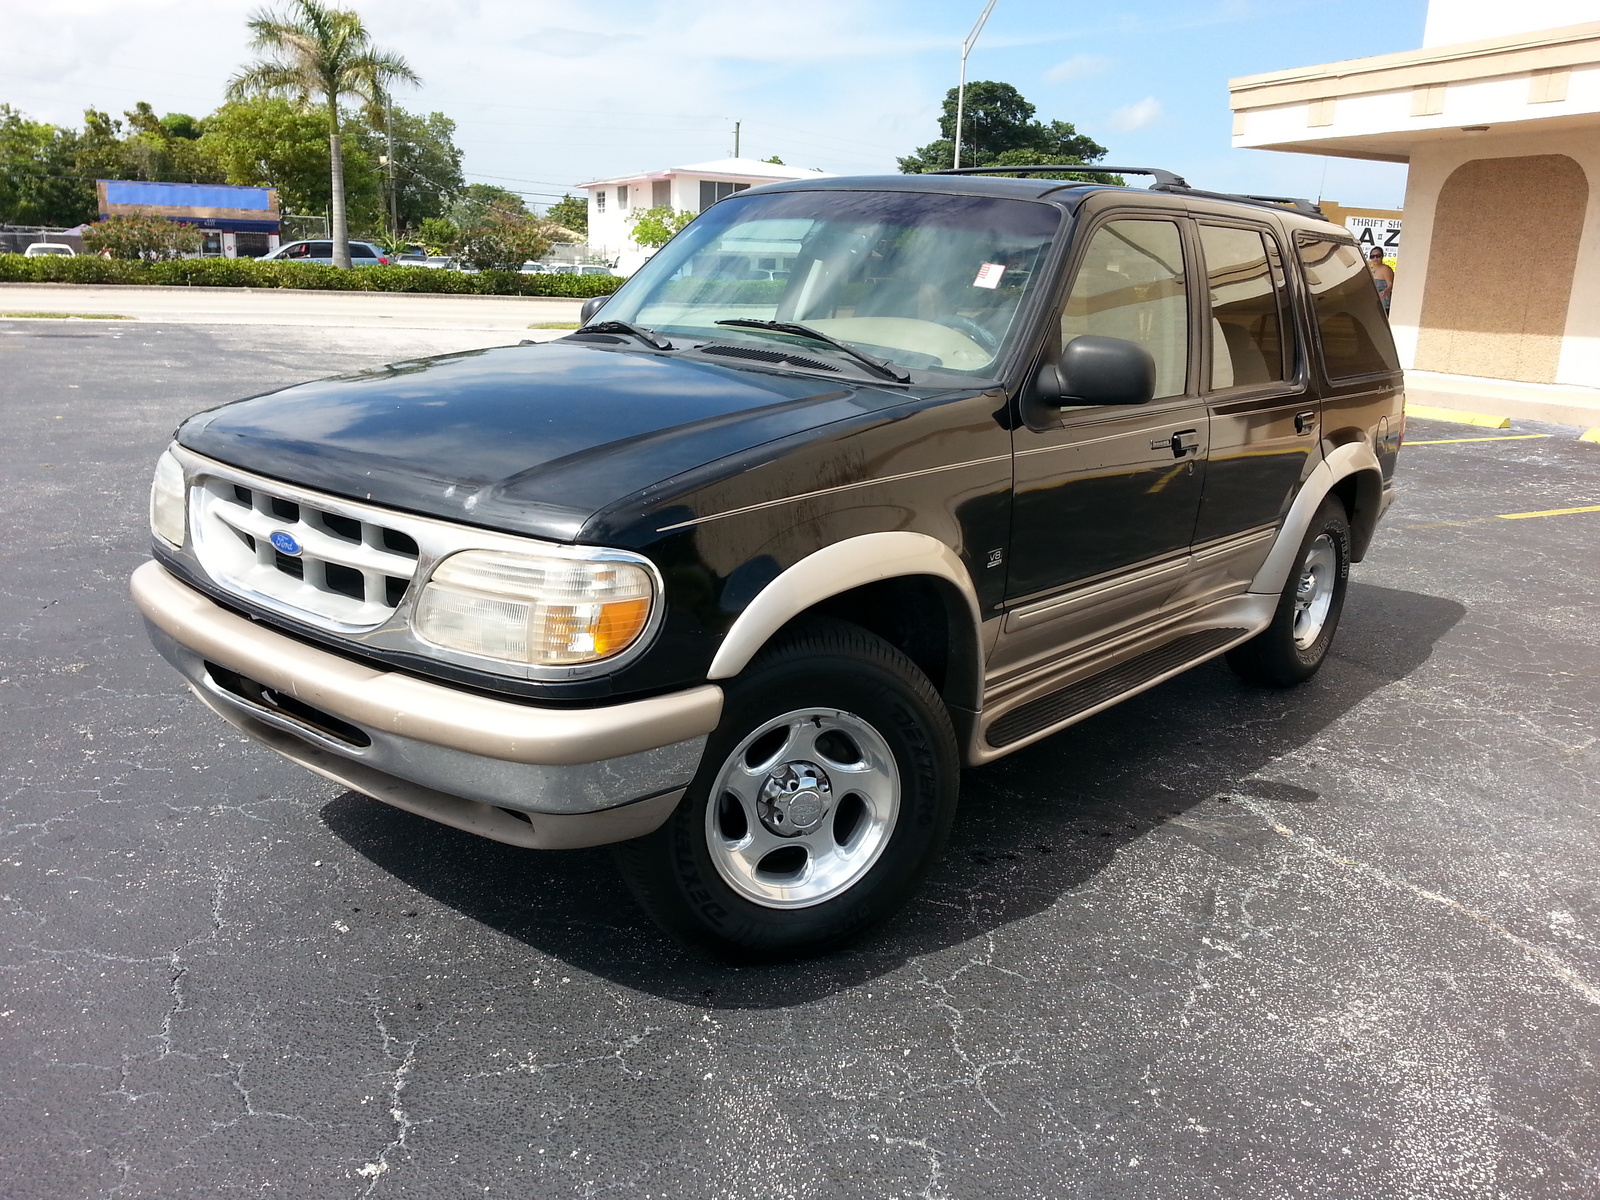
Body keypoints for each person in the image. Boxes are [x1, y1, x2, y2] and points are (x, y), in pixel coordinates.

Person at [1367, 245, 1395, 313]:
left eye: (1378, 256)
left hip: (1383, 303)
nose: (1375, 258)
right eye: (1372, 256)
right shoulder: (1370, 269)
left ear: (1382, 256)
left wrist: (1385, 291)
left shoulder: (1385, 269)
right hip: (1372, 302)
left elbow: (1390, 284)